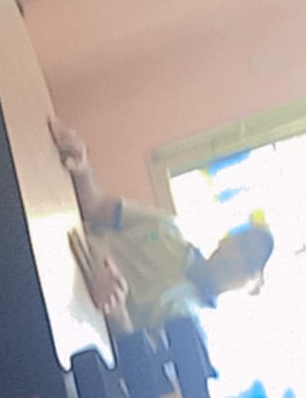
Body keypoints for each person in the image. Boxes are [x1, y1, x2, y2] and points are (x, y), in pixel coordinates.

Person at [50, 118, 275, 334]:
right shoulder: (164, 226)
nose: (237, 260)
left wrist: (116, 309)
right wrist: (82, 167)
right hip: (54, 255)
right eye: (243, 245)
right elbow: (96, 207)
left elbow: (135, 356)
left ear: (251, 287)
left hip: (71, 325)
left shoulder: (187, 327)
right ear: (226, 239)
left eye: (249, 265)